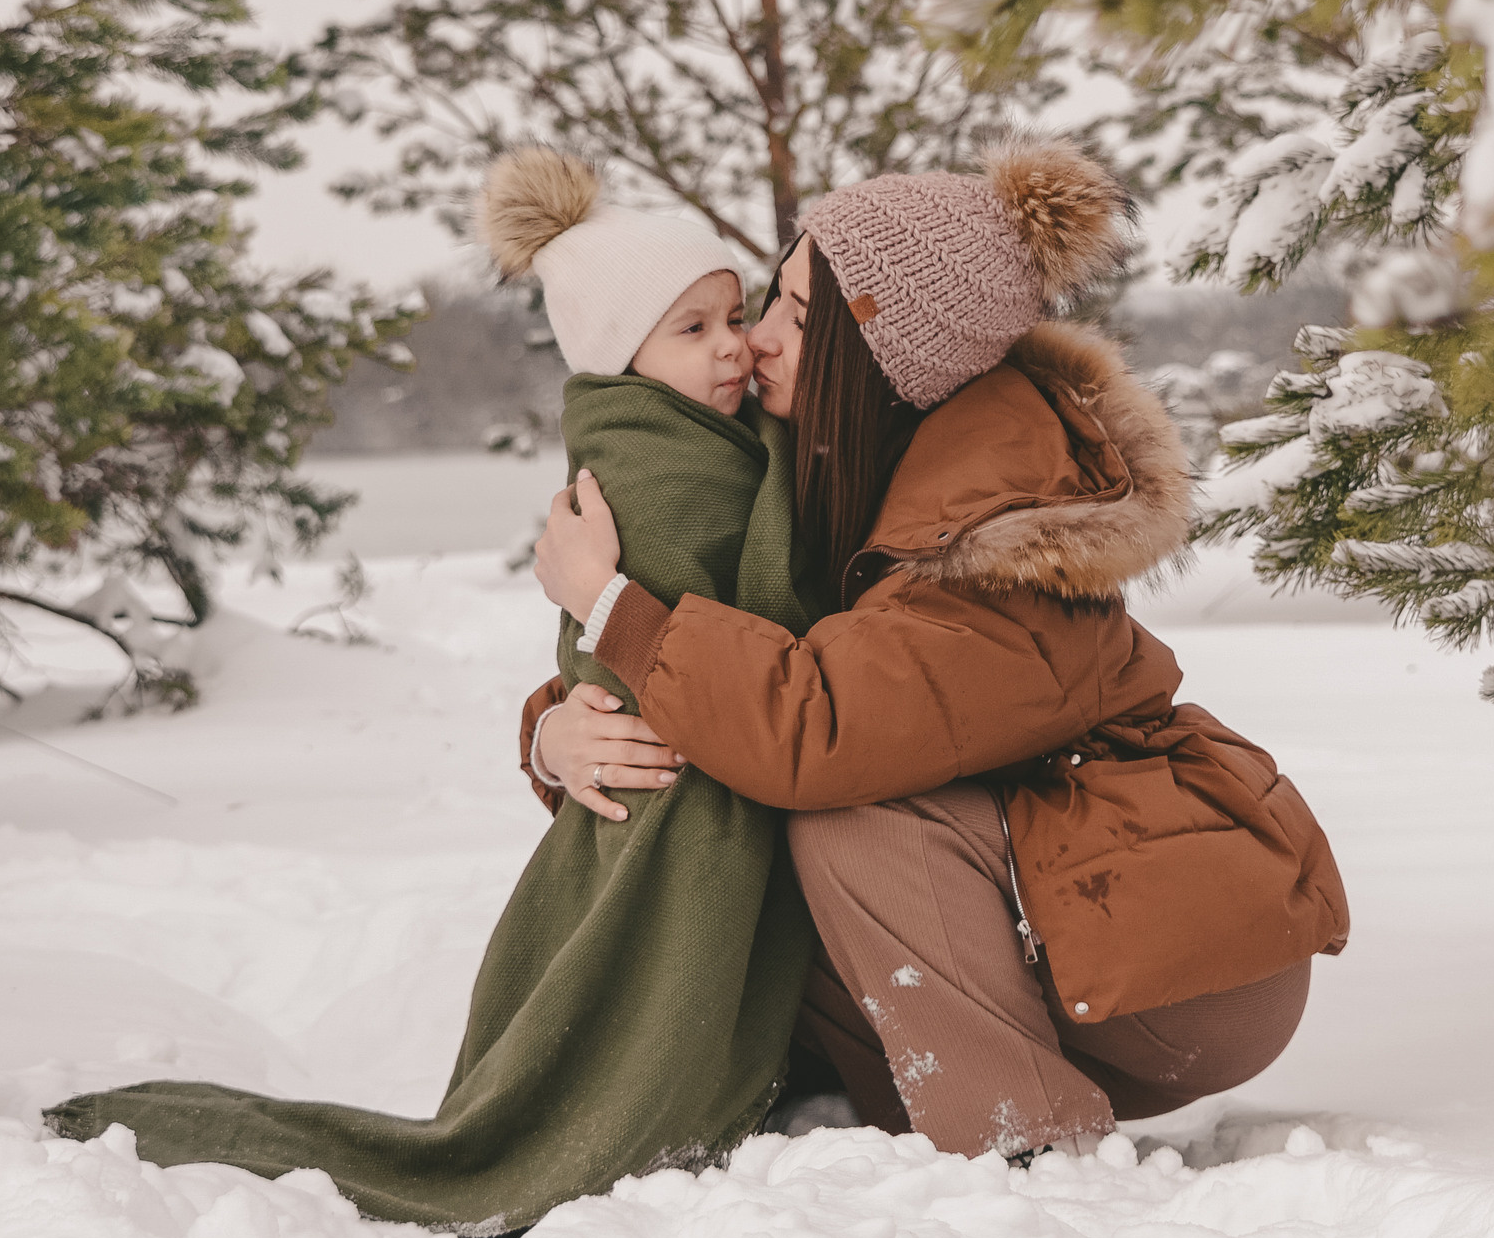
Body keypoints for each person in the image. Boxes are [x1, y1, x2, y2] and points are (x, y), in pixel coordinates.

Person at [46, 149, 832, 1238]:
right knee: (619, 1039)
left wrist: (556, 724)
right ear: (621, 358)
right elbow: (732, 633)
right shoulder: (653, 470)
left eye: (735, 315)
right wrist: (556, 727)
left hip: (693, 758)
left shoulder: (718, 446)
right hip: (669, 791)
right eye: (692, 329)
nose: (734, 344)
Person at [528, 138, 1349, 1160]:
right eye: (767, 302)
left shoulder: (997, 538)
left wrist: (615, 609)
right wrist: (558, 733)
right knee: (759, 843)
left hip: (1180, 973)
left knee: (850, 820)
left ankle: (1024, 1143)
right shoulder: (847, 470)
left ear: (885, 360)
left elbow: (816, 728)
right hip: (1054, 917)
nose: (758, 341)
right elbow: (745, 656)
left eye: (798, 316)